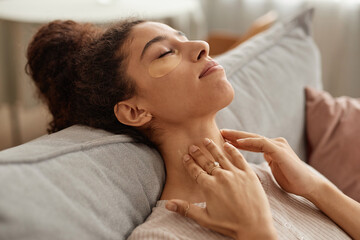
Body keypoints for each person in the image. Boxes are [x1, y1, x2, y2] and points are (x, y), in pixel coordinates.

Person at [25, 19, 359, 239]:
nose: (202, 45)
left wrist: (318, 188)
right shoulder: (164, 236)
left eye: (184, 38)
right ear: (135, 110)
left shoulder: (279, 178)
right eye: (166, 52)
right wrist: (256, 231)